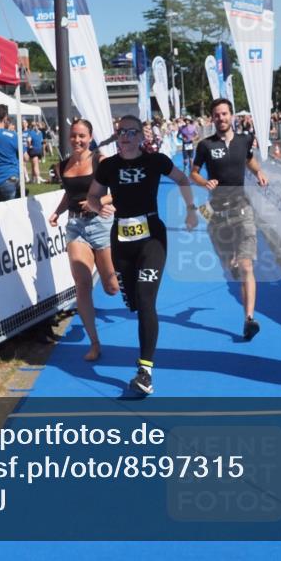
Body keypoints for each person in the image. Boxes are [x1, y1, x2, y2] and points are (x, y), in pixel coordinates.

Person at [87, 114, 198, 395]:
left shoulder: (155, 161)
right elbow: (93, 196)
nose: (125, 137)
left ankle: (145, 371)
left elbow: (183, 179)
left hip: (152, 238)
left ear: (141, 136)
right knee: (134, 301)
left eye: (131, 132)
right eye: (121, 132)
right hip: (122, 239)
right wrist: (98, 207)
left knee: (147, 300)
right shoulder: (108, 166)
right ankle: (133, 297)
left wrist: (190, 209)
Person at [190, 98, 269, 340]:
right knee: (230, 266)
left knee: (247, 266)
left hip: (242, 209)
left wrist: (258, 171)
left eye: (225, 114)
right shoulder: (205, 145)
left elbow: (248, 159)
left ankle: (249, 319)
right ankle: (232, 266)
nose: (221, 118)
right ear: (212, 118)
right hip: (217, 213)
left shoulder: (245, 140)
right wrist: (205, 182)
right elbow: (193, 172)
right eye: (217, 115)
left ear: (231, 116)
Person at [49, 120, 119, 361]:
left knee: (112, 288)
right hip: (75, 227)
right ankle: (95, 343)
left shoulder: (101, 162)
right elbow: (69, 194)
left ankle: (118, 273)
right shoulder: (62, 165)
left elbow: (118, 192)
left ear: (90, 137)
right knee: (82, 283)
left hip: (100, 224)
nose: (77, 141)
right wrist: (58, 212)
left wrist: (98, 202)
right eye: (73, 136)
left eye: (82, 136)